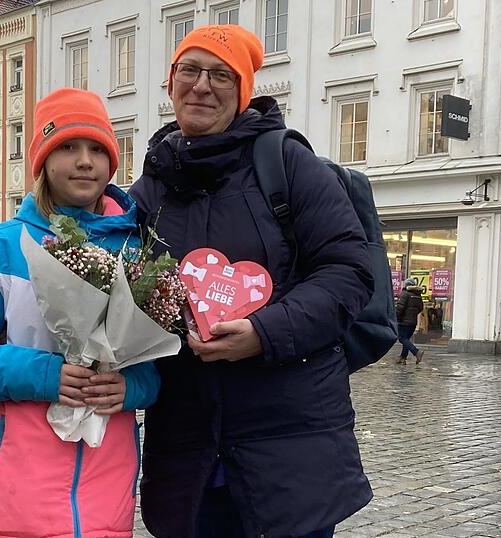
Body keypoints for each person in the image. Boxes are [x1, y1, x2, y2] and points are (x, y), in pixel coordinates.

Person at [128, 25, 375, 538]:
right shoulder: (151, 188)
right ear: (171, 82)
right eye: (190, 71)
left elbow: (349, 271)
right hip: (189, 451)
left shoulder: (286, 163)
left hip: (289, 449)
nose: (202, 86)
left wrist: (264, 334)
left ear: (243, 92)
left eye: (221, 75)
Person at [0, 88, 159, 538]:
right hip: (9, 500)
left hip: (102, 499)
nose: (85, 161)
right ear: (42, 160)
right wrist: (45, 375)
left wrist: (132, 387)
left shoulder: (138, 254)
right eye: (68, 147)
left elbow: (158, 366)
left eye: (97, 149)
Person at [395, 278, 426, 365]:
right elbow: (420, 308)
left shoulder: (405, 294)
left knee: (402, 338)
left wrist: (396, 318)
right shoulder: (418, 295)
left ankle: (416, 352)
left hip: (403, 321)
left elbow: (400, 308)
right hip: (413, 322)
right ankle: (403, 358)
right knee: (406, 339)